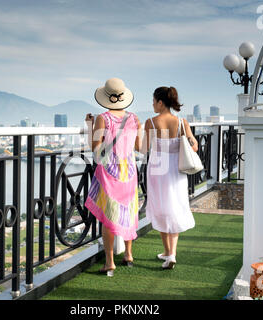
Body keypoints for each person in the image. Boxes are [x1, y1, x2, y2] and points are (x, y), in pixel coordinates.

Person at [84, 78, 142, 276]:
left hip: (110, 173)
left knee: (109, 216)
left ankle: (109, 262)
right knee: (128, 212)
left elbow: (95, 147)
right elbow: (138, 146)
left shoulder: (103, 118)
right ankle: (128, 254)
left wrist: (90, 126)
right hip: (129, 172)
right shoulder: (134, 118)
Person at [143, 86, 198, 269]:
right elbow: (194, 146)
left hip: (158, 169)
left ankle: (167, 252)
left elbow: (142, 148)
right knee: (174, 207)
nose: (152, 104)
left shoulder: (151, 122)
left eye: (153, 101)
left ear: (160, 102)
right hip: (176, 169)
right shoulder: (182, 122)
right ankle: (171, 254)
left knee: (161, 209)